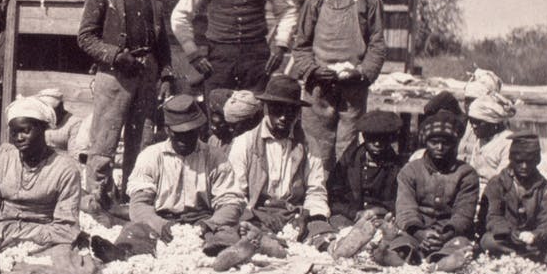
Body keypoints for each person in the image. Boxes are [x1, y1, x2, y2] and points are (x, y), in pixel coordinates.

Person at [77, 0, 174, 213]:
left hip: (147, 75)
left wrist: (166, 74)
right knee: (104, 141)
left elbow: (162, 40)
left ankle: (133, 201)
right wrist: (116, 56)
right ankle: (97, 200)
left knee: (142, 140)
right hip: (114, 76)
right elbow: (85, 38)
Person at [290, 0, 387, 169]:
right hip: (318, 89)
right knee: (316, 150)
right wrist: (313, 70)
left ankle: (345, 200)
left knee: (348, 150)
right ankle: (316, 199)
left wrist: (362, 73)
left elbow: (377, 45)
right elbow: (301, 45)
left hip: (352, 90)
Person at [213, 74, 331, 246]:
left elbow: (316, 190)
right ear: (267, 108)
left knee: (322, 232)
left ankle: (327, 244)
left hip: (294, 213)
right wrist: (257, 214)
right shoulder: (244, 143)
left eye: (291, 110)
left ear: (298, 112)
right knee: (237, 229)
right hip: (256, 213)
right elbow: (235, 193)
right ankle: (264, 242)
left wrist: (309, 215)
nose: (284, 117)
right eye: (278, 109)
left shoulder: (308, 143)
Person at [0, 97, 82, 252]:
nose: (19, 138)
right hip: (2, 233)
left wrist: (24, 238)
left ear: (43, 128)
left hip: (47, 236)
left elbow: (67, 226)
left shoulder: (65, 169)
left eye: (26, 131)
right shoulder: (3, 162)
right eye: (14, 133)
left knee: (60, 268)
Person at [125, 95, 234, 243]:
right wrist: (160, 225)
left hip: (204, 221)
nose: (185, 139)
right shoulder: (150, 156)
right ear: (168, 130)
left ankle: (220, 251)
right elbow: (139, 204)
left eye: (190, 133)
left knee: (227, 234)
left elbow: (230, 202)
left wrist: (210, 224)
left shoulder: (215, 157)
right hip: (161, 219)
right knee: (133, 232)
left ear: (199, 129)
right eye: (179, 134)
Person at [384, 110, 480, 269]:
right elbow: (405, 209)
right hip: (415, 232)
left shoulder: (466, 174)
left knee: (460, 245)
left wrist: (444, 236)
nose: (440, 147)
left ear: (455, 144)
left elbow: (463, 213)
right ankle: (408, 258)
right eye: (434, 142)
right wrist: (420, 234)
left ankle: (439, 263)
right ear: (425, 142)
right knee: (400, 243)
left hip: (450, 235)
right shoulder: (410, 171)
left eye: (446, 143)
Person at [479, 134, 547, 269]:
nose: (524, 166)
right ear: (511, 159)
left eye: (530, 161)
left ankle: (524, 255)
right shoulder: (497, 183)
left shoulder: (545, 187)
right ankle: (530, 256)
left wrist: (536, 235)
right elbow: (493, 217)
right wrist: (511, 233)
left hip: (534, 241)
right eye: (519, 161)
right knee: (488, 241)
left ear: (537, 160)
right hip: (506, 238)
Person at [327, 110, 404, 228]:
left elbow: (402, 201)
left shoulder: (397, 167)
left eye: (383, 139)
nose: (377, 143)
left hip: (383, 218)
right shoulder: (348, 161)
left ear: (390, 139)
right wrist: (354, 213)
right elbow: (333, 196)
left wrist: (378, 211)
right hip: (349, 218)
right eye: (372, 138)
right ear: (364, 137)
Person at [464, 93, 516, 197]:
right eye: (472, 121)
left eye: (479, 122)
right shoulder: (481, 139)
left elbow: (502, 181)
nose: (474, 126)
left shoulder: (508, 141)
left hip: (496, 195)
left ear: (493, 122)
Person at [39, 88, 83, 157]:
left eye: (52, 110)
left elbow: (74, 154)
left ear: (61, 106)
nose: (49, 113)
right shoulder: (40, 120)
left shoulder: (75, 123)